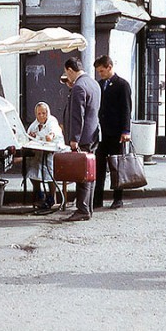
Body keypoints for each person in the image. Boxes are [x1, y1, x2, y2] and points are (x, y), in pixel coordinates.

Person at [61, 56, 101, 222]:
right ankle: (87, 207)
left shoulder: (79, 87)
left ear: (70, 70)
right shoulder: (93, 83)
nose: (67, 76)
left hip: (83, 136)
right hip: (93, 134)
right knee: (89, 173)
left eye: (66, 73)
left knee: (81, 174)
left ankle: (82, 209)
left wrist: (74, 139)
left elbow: (78, 115)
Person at [92, 55, 132, 210]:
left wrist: (125, 130)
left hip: (116, 133)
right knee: (99, 166)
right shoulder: (99, 85)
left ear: (109, 67)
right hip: (102, 132)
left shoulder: (122, 85)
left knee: (117, 166)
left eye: (102, 71)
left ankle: (118, 198)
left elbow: (126, 109)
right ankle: (98, 199)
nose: (100, 74)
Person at [25, 102, 66, 213]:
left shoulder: (52, 121)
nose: (42, 116)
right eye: (39, 114)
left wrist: (49, 136)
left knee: (49, 170)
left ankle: (51, 197)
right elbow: (28, 135)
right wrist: (31, 136)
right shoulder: (34, 124)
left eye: (44, 113)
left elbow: (52, 134)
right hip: (40, 151)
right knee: (33, 168)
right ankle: (39, 195)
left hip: (53, 152)